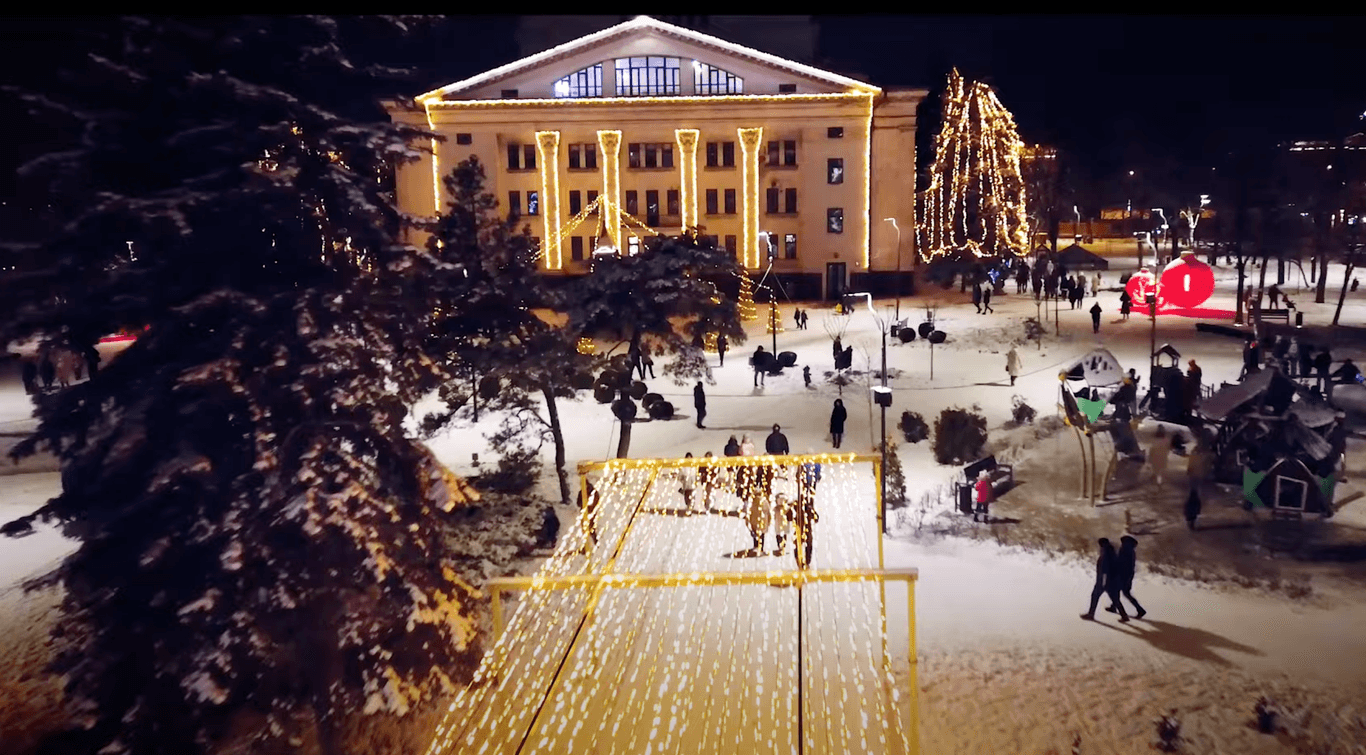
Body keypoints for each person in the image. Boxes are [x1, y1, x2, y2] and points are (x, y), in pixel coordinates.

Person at [1081, 538, 1127, 622]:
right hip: (1110, 581)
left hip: (1104, 581)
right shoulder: (1110, 552)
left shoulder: (1106, 553)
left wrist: (1103, 582)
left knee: (1095, 596)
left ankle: (1091, 614)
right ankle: (1124, 616)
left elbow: (1105, 568)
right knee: (1115, 599)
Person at [1105, 536, 1147, 618]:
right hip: (1127, 575)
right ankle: (1114, 606)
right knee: (1122, 592)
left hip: (1122, 576)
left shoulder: (1126, 550)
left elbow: (1121, 563)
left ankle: (1140, 610)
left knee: (1119, 592)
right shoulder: (1130, 551)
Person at [795, 458, 822, 567]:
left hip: (798, 530)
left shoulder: (796, 507)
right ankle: (807, 561)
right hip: (807, 529)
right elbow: (816, 518)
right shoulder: (816, 463)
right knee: (808, 544)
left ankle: (800, 561)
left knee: (798, 544)